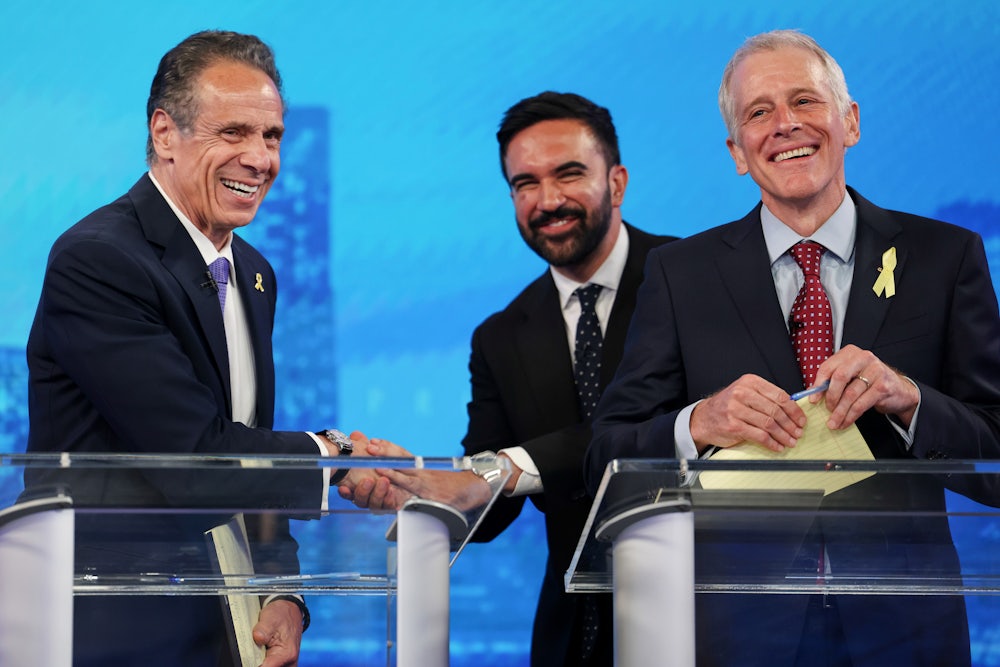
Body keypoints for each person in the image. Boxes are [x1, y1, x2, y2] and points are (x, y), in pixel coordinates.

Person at [585, 30, 1000, 666]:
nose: (785, 125)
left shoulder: (946, 258)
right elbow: (607, 454)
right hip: (740, 631)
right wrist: (699, 423)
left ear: (850, 121)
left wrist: (910, 401)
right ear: (737, 153)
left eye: (805, 101)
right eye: (759, 112)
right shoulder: (680, 274)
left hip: (906, 629)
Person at [24, 30, 369, 667]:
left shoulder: (256, 273)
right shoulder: (99, 259)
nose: (260, 158)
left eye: (272, 137)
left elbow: (249, 442)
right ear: (164, 133)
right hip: (109, 625)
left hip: (220, 620)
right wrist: (337, 457)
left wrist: (281, 586)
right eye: (233, 132)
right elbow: (192, 453)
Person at [353, 91, 677, 666]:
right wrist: (421, 485)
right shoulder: (500, 336)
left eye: (569, 174)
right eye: (525, 183)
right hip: (572, 634)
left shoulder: (690, 279)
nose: (547, 200)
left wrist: (500, 471)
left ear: (618, 182)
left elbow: (649, 430)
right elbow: (489, 500)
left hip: (701, 614)